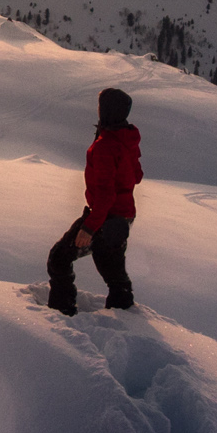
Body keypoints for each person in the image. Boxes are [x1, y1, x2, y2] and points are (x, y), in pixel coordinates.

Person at [46, 88, 141, 315]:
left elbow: (106, 195)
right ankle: (125, 319)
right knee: (114, 274)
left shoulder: (105, 146)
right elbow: (137, 175)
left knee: (59, 259)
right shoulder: (127, 137)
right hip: (123, 216)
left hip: (105, 217)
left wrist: (89, 228)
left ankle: (62, 315)